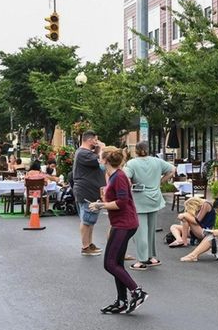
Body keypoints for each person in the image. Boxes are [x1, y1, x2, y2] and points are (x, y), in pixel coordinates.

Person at [88, 148, 148, 314]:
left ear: (105, 160)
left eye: (100, 157)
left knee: (110, 263)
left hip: (124, 224)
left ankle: (137, 292)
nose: (98, 160)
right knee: (117, 264)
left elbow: (121, 202)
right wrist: (102, 203)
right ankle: (121, 301)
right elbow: (117, 200)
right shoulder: (114, 176)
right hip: (121, 222)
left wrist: (101, 205)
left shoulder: (119, 176)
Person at [123, 141, 175, 270]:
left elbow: (125, 178)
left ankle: (141, 260)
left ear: (136, 150)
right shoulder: (156, 161)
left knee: (141, 232)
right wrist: (160, 181)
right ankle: (152, 257)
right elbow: (172, 169)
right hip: (154, 197)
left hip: (139, 199)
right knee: (151, 230)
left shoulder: (131, 163)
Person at [73, 130, 107, 257]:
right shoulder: (83, 153)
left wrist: (98, 149)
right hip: (86, 190)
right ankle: (85, 246)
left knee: (90, 219)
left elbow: (96, 158)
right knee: (86, 219)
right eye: (95, 139)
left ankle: (89, 244)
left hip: (91, 190)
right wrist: (102, 148)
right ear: (89, 140)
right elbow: (101, 160)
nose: (97, 141)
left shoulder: (86, 153)